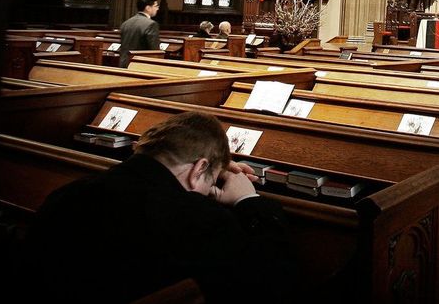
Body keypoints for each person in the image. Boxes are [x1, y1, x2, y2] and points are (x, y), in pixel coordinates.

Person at [25, 111, 295, 303]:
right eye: (211, 179)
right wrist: (248, 200)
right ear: (200, 167)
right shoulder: (193, 219)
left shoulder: (68, 193)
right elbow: (269, 277)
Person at [119, 0, 160, 67]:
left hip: (124, 64)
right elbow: (155, 51)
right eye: (156, 6)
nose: (157, 8)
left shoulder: (126, 23)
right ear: (148, 8)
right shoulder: (151, 24)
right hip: (140, 65)